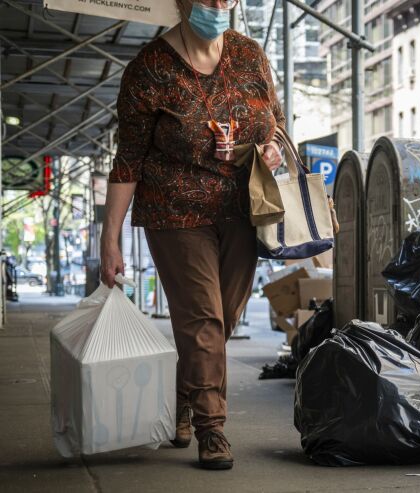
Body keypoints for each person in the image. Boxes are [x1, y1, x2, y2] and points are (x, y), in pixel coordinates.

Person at [100, 0, 285, 470]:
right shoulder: (150, 69)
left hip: (244, 209)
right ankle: (212, 428)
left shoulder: (250, 55)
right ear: (183, 3)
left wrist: (273, 148)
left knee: (222, 320)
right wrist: (111, 239)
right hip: (175, 212)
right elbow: (128, 161)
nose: (219, 6)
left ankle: (185, 395)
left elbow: (279, 126)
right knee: (202, 319)